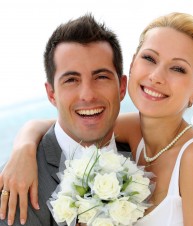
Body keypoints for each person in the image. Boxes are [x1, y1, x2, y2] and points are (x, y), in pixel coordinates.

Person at [0, 12, 193, 226]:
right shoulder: (133, 134)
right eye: (150, 58)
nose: (156, 76)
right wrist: (23, 146)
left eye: (177, 68)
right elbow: (67, 127)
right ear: (132, 65)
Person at [0, 14, 128, 225]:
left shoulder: (144, 154)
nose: (87, 95)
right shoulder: (17, 187)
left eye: (101, 77)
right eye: (71, 80)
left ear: (122, 87)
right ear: (51, 94)